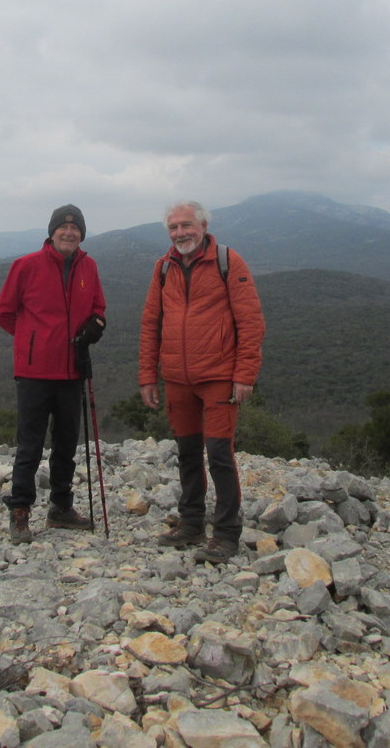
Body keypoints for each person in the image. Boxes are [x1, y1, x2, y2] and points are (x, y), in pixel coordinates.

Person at [138, 200, 265, 564]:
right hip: (177, 378)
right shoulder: (163, 268)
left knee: (221, 455)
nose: (180, 233)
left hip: (219, 377)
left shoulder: (228, 262)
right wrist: (148, 374)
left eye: (186, 226)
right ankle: (191, 522)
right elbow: (151, 324)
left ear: (204, 225)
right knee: (188, 453)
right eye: (173, 228)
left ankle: (226, 533)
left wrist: (244, 374)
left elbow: (251, 322)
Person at [0, 204, 107, 544]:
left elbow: (99, 308)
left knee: (66, 443)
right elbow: (4, 312)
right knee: (29, 444)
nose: (69, 233)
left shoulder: (89, 267)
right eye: (63, 228)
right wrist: (33, 340)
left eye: (75, 229)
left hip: (72, 369)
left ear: (81, 234)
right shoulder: (26, 266)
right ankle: (20, 512)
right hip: (34, 372)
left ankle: (60, 507)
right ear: (52, 232)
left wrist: (95, 326)